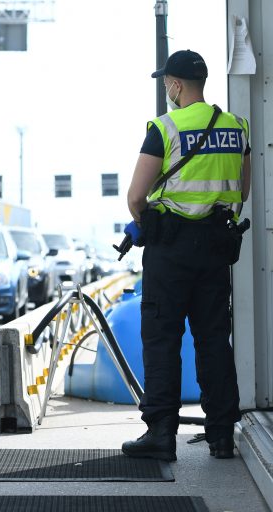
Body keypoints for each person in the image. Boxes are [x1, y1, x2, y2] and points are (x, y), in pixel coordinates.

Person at [122, 50, 251, 462]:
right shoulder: (237, 127)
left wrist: (148, 222)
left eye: (167, 84)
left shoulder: (166, 127)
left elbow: (136, 197)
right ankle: (221, 436)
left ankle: (161, 433)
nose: (167, 91)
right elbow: (241, 192)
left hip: (171, 251)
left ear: (176, 85)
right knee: (214, 339)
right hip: (215, 247)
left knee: (162, 338)